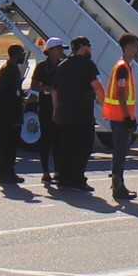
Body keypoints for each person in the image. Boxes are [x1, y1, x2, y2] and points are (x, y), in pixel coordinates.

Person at [54, 37, 101, 195]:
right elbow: (96, 87)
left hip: (65, 113)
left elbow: (56, 90)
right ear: (82, 47)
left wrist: (57, 110)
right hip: (82, 114)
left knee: (66, 146)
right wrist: (105, 103)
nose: (91, 49)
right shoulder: (87, 65)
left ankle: (63, 177)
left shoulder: (62, 65)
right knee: (83, 148)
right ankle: (78, 179)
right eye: (89, 46)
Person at [102, 33, 138, 203]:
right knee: (119, 153)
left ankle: (119, 185)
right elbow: (120, 94)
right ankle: (118, 187)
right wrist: (127, 117)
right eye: (135, 45)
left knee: (120, 152)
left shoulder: (126, 66)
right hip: (120, 117)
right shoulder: (122, 68)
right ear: (127, 47)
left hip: (121, 116)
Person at [28, 38, 68, 190]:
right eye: (58, 49)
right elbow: (34, 85)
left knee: (60, 140)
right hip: (46, 106)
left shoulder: (63, 66)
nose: (61, 52)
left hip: (61, 107)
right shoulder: (42, 67)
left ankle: (58, 171)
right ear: (50, 50)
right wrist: (47, 89)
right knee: (46, 140)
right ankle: (45, 171)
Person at [0, 43, 28, 190]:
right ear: (15, 55)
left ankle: (10, 173)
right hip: (8, 116)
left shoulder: (12, 69)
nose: (23, 56)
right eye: (21, 53)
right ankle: (3, 174)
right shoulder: (8, 70)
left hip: (13, 114)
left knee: (11, 147)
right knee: (6, 146)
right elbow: (2, 94)